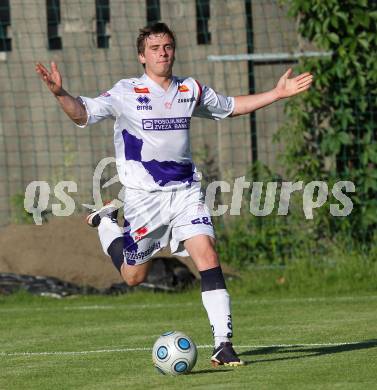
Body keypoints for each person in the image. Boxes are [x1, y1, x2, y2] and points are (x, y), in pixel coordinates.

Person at [36, 22, 313, 366]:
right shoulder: (126, 92)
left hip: (184, 192)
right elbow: (84, 113)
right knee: (133, 277)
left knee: (208, 254)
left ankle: (223, 345)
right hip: (143, 200)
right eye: (154, 49)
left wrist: (277, 94)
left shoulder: (189, 89)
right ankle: (108, 222)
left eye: (167, 47)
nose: (162, 53)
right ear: (142, 56)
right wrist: (61, 94)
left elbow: (230, 106)